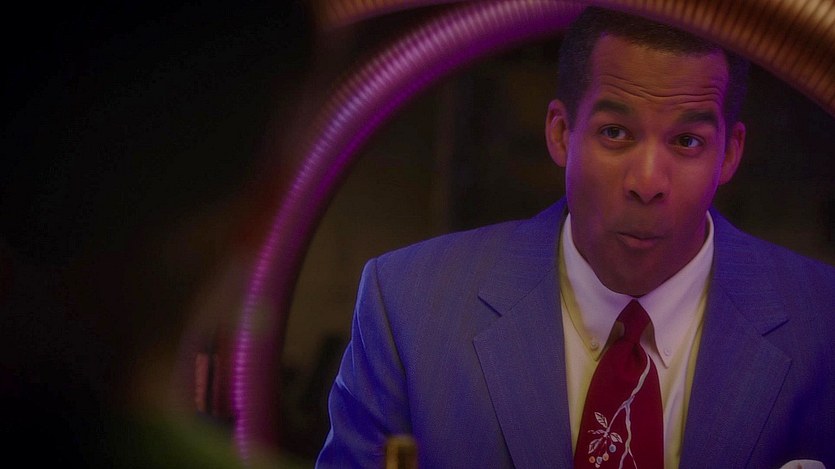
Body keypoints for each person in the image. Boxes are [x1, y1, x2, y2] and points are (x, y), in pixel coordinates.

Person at [316, 7, 835, 468]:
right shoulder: (408, 306)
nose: (647, 182)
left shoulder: (825, 324)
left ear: (729, 153)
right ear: (561, 132)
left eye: (686, 141)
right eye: (615, 133)